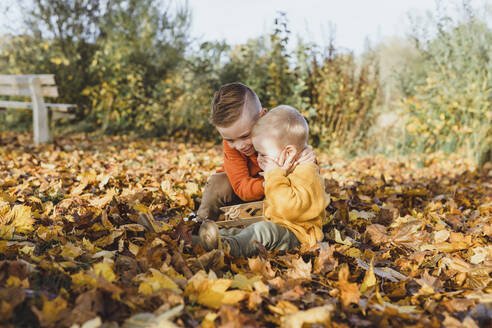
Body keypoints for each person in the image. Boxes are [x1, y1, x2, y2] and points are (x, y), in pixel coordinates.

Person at [198, 105, 330, 257]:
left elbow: (289, 209)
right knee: (241, 231)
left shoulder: (306, 172)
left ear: (289, 152)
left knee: (262, 232)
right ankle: (200, 241)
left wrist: (274, 176)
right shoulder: (284, 167)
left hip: (298, 233)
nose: (258, 158)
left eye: (263, 154)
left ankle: (228, 249)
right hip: (275, 223)